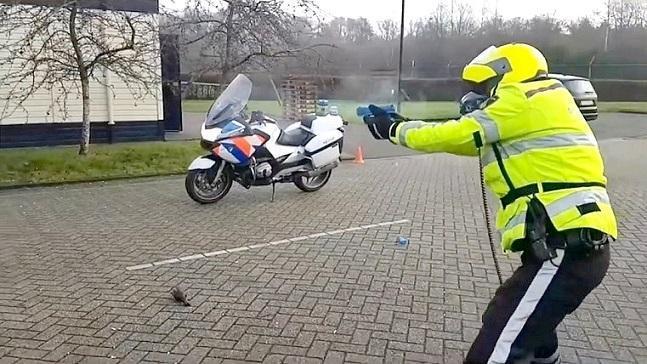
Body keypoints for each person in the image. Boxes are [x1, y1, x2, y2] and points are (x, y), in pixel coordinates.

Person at [363, 43, 617, 364]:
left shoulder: (524, 98)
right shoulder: (543, 102)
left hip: (566, 247)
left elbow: (457, 134)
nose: (481, 95)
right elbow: (465, 137)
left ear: (507, 75)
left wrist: (396, 129)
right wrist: (406, 122)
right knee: (523, 325)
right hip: (571, 246)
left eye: (485, 87)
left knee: (496, 351)